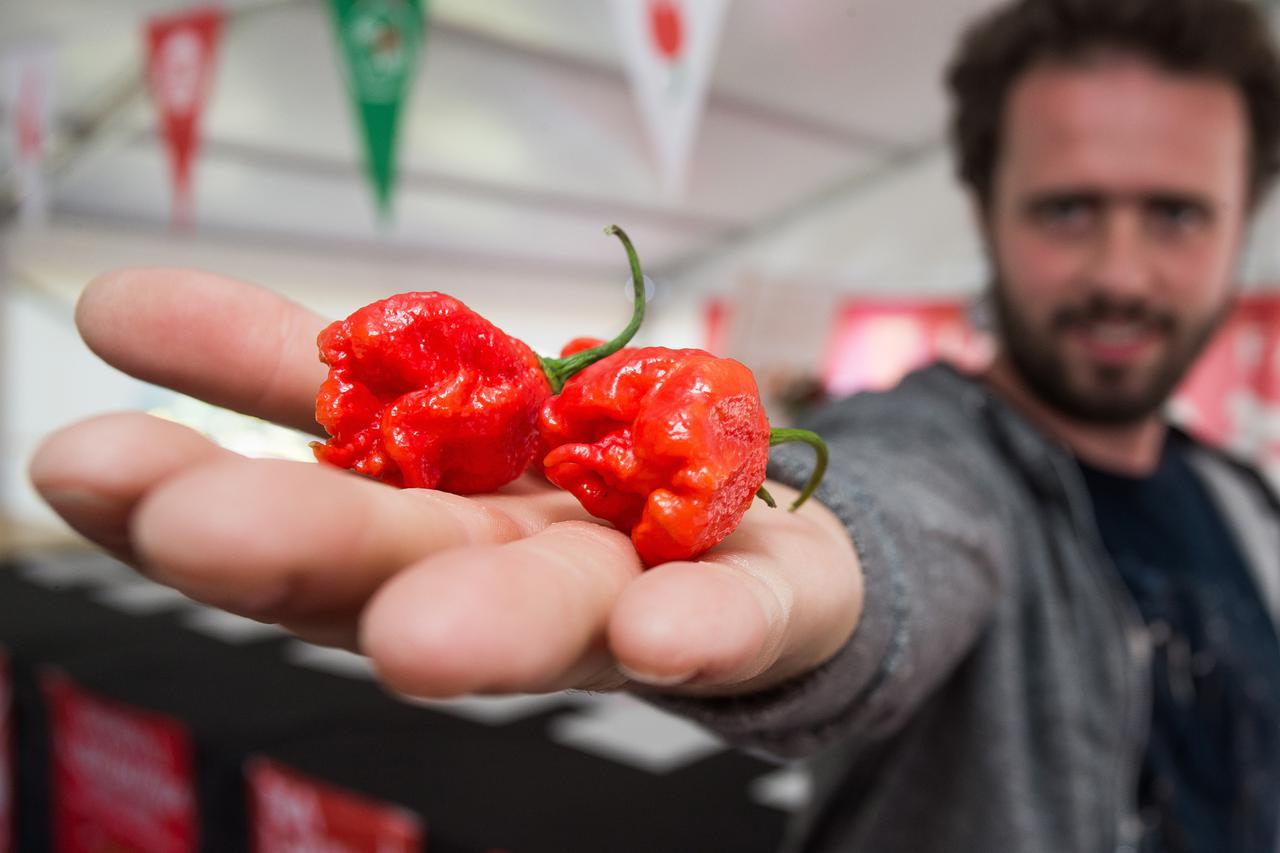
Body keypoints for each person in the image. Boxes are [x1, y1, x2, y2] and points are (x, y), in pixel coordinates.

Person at [26, 0, 1280, 849]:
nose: (1120, 268)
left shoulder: (1244, 501)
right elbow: (894, 538)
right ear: (987, 208)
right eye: (1067, 209)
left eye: (1173, 214)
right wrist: (818, 604)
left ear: (1241, 224)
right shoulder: (945, 451)